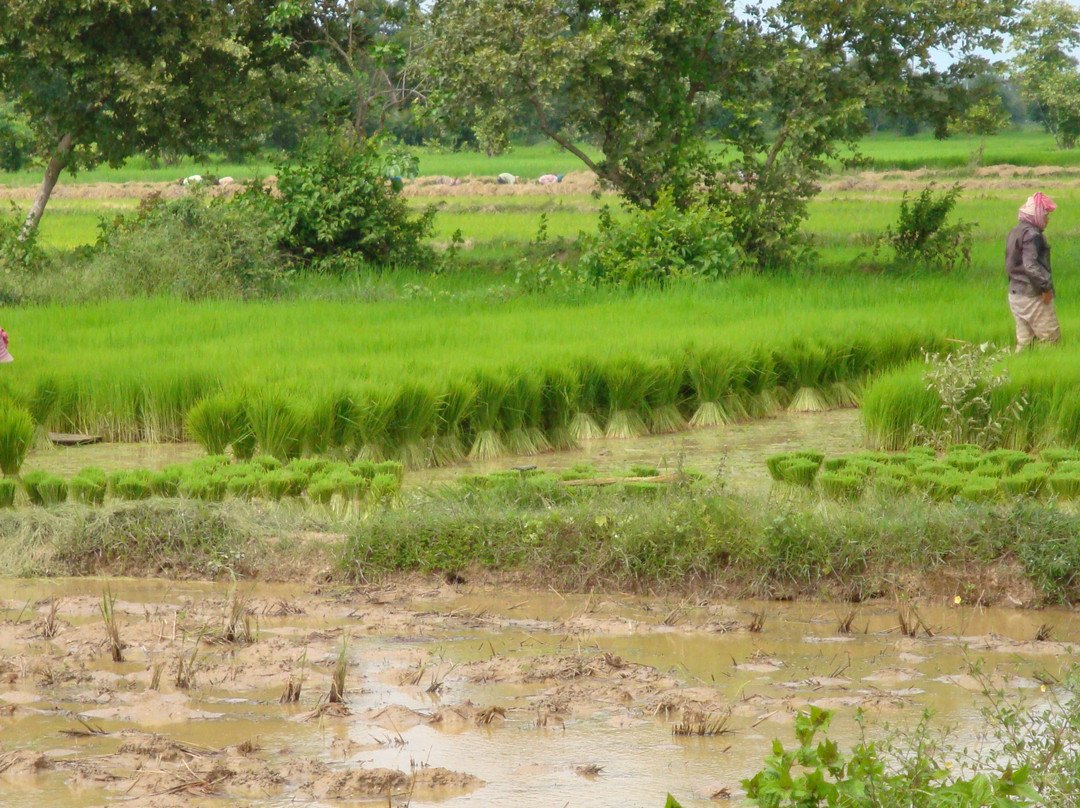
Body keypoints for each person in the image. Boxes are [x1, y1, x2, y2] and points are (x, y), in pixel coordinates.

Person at [1006, 192, 1060, 350]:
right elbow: (1031, 265)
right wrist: (1045, 288)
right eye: (1046, 215)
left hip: (1015, 294)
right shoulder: (1032, 235)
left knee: (1025, 341)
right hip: (1033, 294)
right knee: (1051, 339)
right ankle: (1050, 372)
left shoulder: (1015, 231)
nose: (1048, 219)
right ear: (1037, 215)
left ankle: (1015, 369)